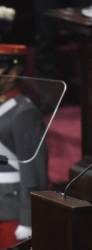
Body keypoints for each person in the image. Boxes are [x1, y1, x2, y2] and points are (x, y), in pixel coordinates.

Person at [0, 60, 48, 248]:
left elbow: (33, 169)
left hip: (9, 208)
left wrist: (28, 219)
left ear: (14, 72)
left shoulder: (24, 112)